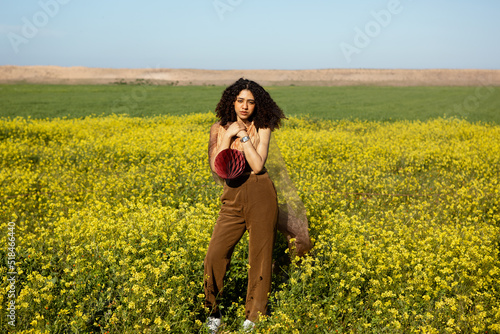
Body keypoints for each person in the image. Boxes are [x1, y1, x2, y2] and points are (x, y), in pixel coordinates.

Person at [204, 78, 286, 332]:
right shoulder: (219, 127)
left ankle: (254, 317)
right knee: (215, 254)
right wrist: (229, 135)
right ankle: (212, 312)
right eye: (240, 100)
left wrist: (244, 138)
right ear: (232, 101)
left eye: (250, 102)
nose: (244, 106)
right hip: (232, 194)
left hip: (260, 192)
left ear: (257, 105)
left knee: (260, 257)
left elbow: (258, 164)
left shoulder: (263, 126)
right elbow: (217, 167)